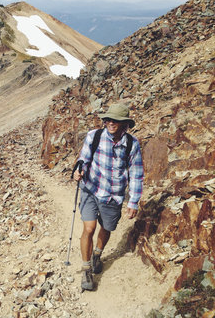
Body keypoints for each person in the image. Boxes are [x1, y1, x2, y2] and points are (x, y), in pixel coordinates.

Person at [73, 102, 144, 291]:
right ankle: (86, 269)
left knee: (107, 227)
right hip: (91, 188)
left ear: (124, 123)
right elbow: (84, 158)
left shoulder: (131, 144)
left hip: (113, 195)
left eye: (116, 120)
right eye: (108, 119)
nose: (111, 123)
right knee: (89, 228)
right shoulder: (94, 136)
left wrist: (133, 201)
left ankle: (97, 254)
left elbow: (136, 173)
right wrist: (78, 170)